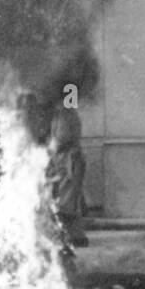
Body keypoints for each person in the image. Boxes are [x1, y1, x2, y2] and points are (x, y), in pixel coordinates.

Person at [47, 102, 88, 247]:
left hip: (68, 161)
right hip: (68, 161)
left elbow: (62, 137)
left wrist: (51, 149)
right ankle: (75, 236)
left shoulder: (64, 115)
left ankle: (70, 236)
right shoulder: (67, 114)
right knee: (70, 199)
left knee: (66, 201)